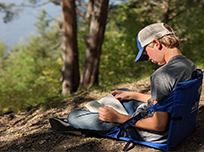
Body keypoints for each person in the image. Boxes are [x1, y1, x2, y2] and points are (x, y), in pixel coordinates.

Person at [49, 23, 196, 143]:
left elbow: (158, 125)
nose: (149, 59)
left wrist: (118, 118)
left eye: (146, 53)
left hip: (155, 132)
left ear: (156, 43)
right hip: (179, 124)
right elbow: (169, 101)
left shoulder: (162, 75)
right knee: (124, 92)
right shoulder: (188, 65)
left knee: (74, 116)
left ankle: (77, 124)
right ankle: (102, 114)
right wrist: (134, 95)